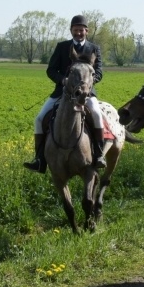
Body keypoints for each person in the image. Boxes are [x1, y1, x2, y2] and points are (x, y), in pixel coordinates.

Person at [23, 14, 107, 173]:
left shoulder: (94, 48)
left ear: (87, 31)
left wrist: (88, 83)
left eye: (81, 30)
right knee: (39, 119)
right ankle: (39, 160)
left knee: (96, 114)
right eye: (76, 30)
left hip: (86, 93)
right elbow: (51, 70)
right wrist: (63, 80)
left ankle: (99, 155)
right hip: (62, 92)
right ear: (71, 30)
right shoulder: (62, 47)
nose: (78, 33)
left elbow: (99, 72)